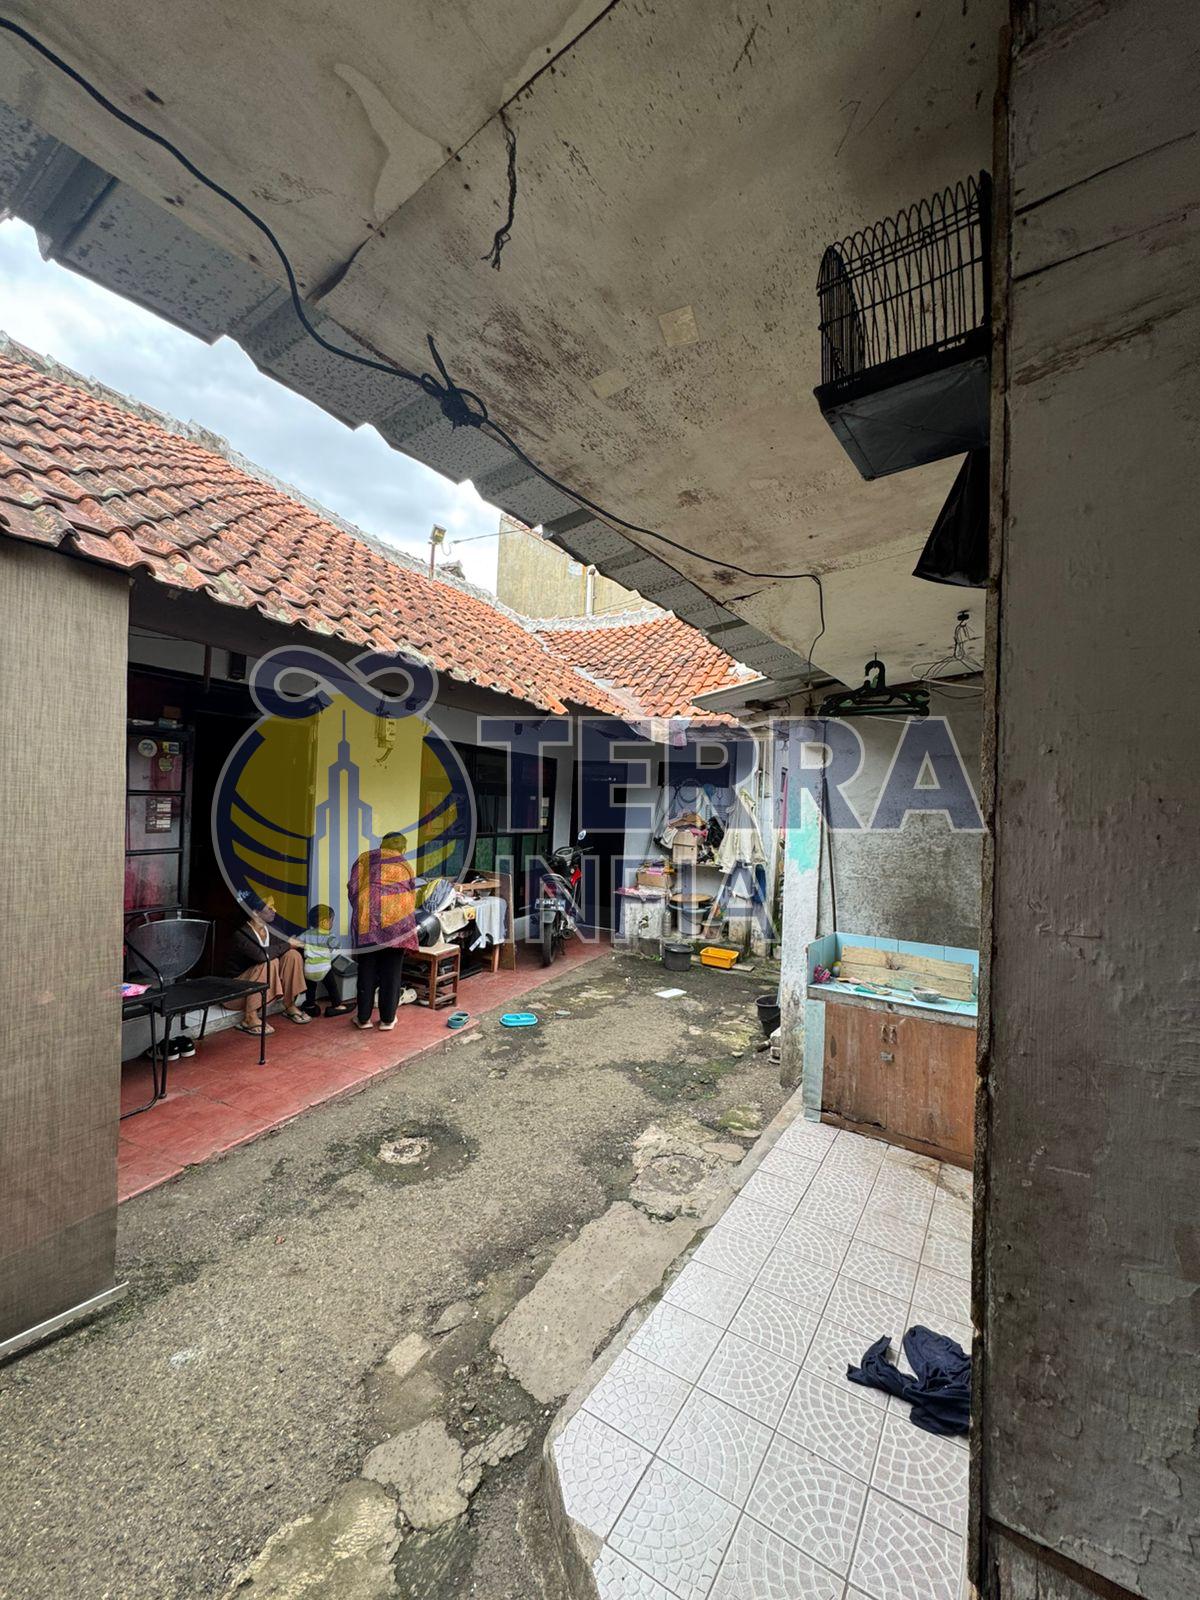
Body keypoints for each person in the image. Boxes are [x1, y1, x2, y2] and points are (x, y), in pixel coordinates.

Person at [347, 831, 417, 1031]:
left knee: (366, 968)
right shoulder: (404, 864)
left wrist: (363, 907)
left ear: (381, 845)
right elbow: (411, 893)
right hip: (397, 923)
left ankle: (363, 1019)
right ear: (402, 848)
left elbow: (353, 888)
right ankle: (387, 1019)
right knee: (391, 971)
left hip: (368, 920)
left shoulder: (365, 859)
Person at [227, 890, 311, 1034]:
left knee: (292, 955)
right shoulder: (242, 934)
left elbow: (287, 946)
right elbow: (261, 955)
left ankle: (290, 1004)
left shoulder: (272, 930)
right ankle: (249, 1017)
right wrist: (288, 944)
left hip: (261, 988)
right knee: (268, 961)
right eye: (270, 907)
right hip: (237, 993)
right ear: (255, 912)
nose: (275, 910)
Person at [301, 903, 352, 1017]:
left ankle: (310, 1006)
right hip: (324, 968)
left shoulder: (306, 934)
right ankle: (337, 1005)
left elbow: (297, 943)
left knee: (311, 988)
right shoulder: (328, 935)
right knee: (331, 986)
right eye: (332, 920)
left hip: (309, 968)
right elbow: (337, 945)